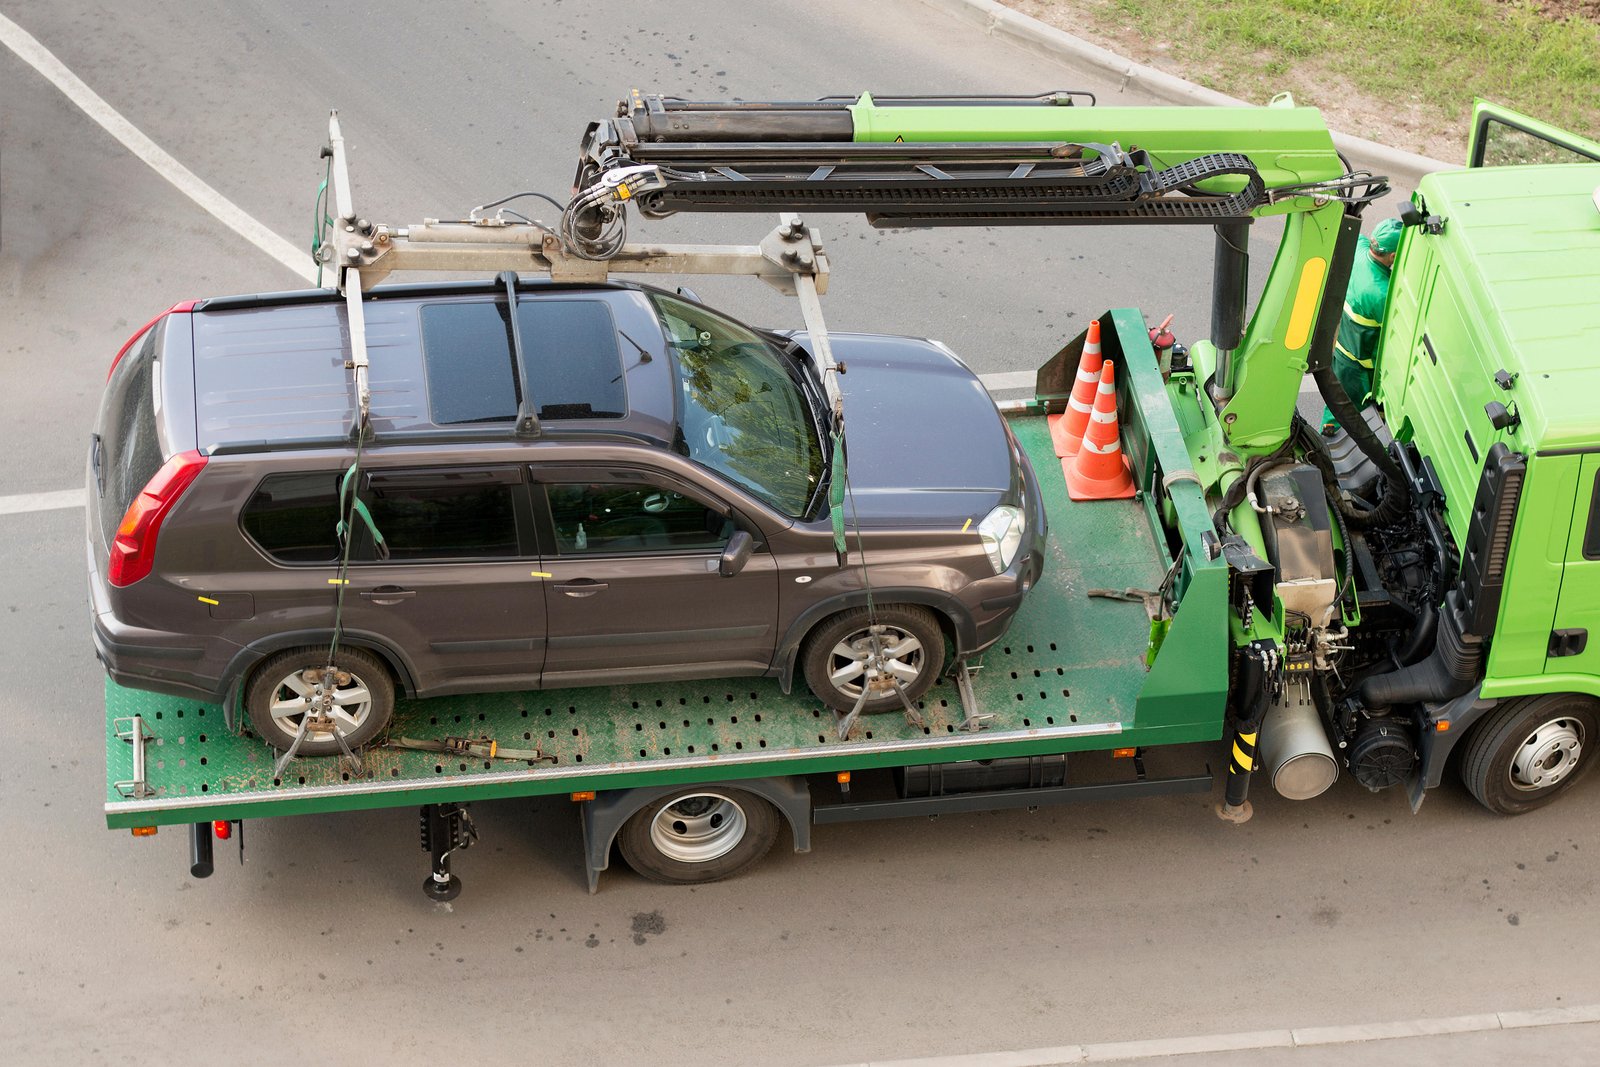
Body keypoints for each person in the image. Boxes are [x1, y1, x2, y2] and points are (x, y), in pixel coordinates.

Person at [1323, 217, 1404, 432]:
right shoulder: (1383, 293)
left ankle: (1326, 433)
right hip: (1359, 367)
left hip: (1339, 352)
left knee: (1334, 405)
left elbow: (1353, 235)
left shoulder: (1358, 253)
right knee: (1358, 419)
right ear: (1393, 256)